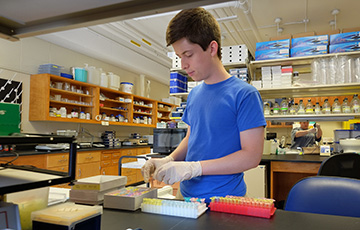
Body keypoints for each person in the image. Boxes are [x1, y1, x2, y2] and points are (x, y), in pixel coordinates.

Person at [141, 7, 266, 201]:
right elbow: (191, 139)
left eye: (188, 54)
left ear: (212, 48)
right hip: (186, 195)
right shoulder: (194, 94)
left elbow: (251, 156)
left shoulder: (244, 94)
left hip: (225, 199)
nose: (183, 64)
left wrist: (194, 168)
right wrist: (168, 159)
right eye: (179, 56)